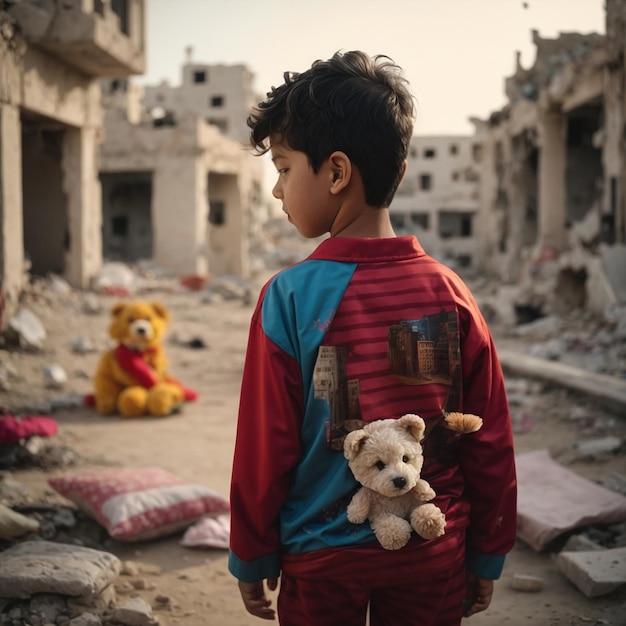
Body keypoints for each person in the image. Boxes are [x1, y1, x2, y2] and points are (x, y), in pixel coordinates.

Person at [228, 50, 517, 626]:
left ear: (335, 172)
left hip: (320, 557)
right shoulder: (448, 291)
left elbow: (267, 443)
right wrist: (487, 550)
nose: (278, 192)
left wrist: (252, 551)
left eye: (284, 169)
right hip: (432, 553)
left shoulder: (289, 298)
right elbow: (488, 437)